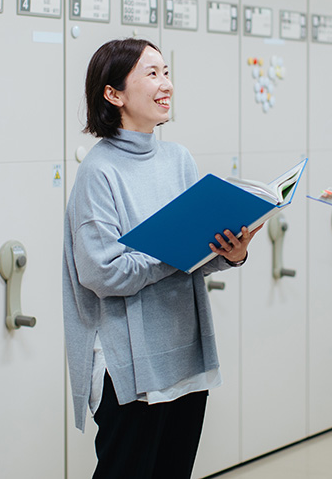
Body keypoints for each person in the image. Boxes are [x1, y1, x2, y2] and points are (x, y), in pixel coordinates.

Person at [62, 37, 256, 478]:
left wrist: (231, 253)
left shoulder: (178, 158)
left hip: (184, 354)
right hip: (128, 365)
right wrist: (177, 251)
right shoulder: (99, 171)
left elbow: (197, 254)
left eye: (166, 72)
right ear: (113, 94)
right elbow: (102, 272)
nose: (165, 84)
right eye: (151, 74)